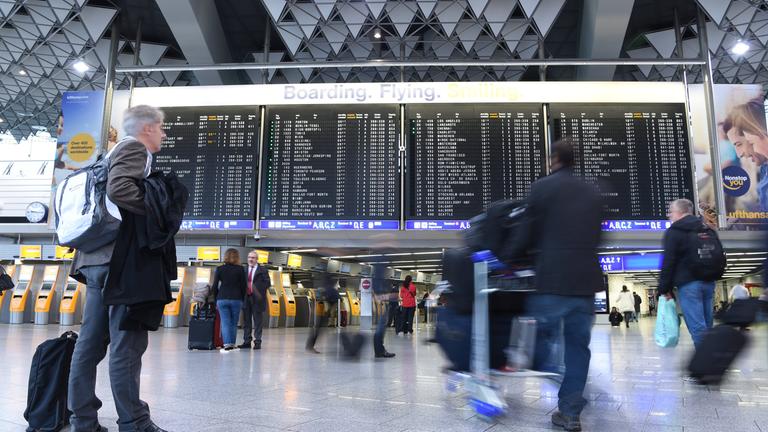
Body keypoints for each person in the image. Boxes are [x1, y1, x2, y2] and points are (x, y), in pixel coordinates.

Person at [68, 105, 170, 432]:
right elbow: (120, 188)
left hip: (95, 261)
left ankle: (82, 420)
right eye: (161, 128)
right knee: (127, 344)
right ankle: (134, 422)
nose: (163, 134)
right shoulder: (134, 148)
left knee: (91, 344)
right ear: (148, 128)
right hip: (120, 264)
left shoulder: (107, 154)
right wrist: (159, 210)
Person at [506, 140, 603, 432]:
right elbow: (599, 238)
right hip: (584, 284)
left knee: (536, 335)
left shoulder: (542, 188)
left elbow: (526, 231)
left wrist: (509, 258)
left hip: (551, 280)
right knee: (577, 348)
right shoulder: (592, 192)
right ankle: (570, 411)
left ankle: (550, 372)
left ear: (555, 159)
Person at [658, 198, 717, 349]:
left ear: (679, 212)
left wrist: (664, 289)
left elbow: (669, 261)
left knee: (697, 327)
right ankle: (711, 360)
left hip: (689, 284)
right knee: (707, 326)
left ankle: (706, 366)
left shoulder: (675, 231)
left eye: (671, 212)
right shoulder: (707, 228)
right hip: (709, 282)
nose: (669, 216)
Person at [211, 248, 247, 352]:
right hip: (236, 299)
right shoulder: (240, 269)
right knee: (233, 322)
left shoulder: (220, 269)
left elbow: (214, 286)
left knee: (225, 322)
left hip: (222, 298)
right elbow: (244, 286)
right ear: (237, 257)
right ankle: (232, 344)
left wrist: (216, 299)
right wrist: (243, 298)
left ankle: (227, 345)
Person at [238, 250, 270, 350]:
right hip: (246, 298)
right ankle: (247, 341)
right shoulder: (243, 270)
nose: (250, 259)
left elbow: (267, 284)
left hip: (257, 299)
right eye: (249, 257)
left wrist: (256, 288)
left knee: (258, 322)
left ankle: (257, 342)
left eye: (253, 258)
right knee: (246, 321)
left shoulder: (263, 270)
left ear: (257, 259)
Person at [372, 264, 395, 358]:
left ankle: (380, 350)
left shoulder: (377, 279)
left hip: (381, 304)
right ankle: (379, 351)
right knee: (380, 328)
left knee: (381, 328)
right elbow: (378, 296)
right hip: (382, 305)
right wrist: (389, 296)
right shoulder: (379, 280)